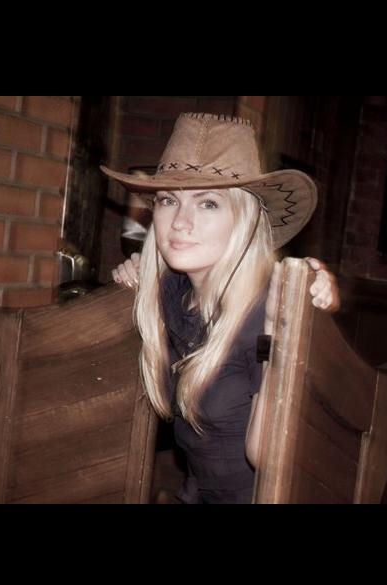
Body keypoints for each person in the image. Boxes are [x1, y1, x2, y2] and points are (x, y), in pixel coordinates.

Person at [102, 112, 340, 504]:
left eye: (208, 204)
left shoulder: (266, 307)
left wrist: (288, 327)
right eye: (168, 200)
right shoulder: (173, 293)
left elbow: (267, 457)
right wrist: (130, 280)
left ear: (244, 220)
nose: (180, 222)